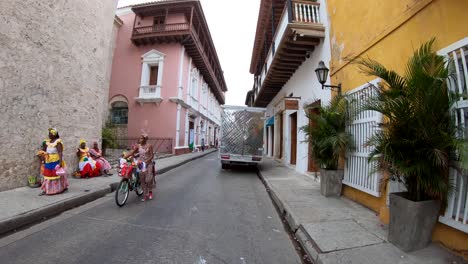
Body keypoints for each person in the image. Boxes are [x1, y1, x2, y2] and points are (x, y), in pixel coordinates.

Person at [124, 134, 155, 201]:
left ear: (145, 139)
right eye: (140, 138)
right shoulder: (138, 146)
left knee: (148, 179)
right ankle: (145, 195)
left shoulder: (149, 146)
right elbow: (132, 153)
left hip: (148, 164)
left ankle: (150, 191)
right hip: (141, 165)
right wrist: (123, 158)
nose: (140, 140)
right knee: (142, 180)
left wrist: (146, 162)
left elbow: (152, 155)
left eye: (141, 138)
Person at [39, 128, 69, 195]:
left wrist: (60, 162)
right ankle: (46, 190)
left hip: (56, 160)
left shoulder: (58, 142)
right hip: (48, 160)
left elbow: (60, 152)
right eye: (49, 133)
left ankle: (58, 189)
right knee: (48, 174)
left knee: (56, 175)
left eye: (50, 133)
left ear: (54, 134)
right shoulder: (48, 142)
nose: (49, 135)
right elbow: (45, 151)